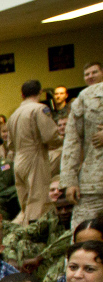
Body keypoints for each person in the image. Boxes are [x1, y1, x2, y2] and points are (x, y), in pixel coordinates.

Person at [7, 79, 60, 223]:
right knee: (39, 200)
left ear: (22, 95)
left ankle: (26, 231)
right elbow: (50, 135)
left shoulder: (13, 115)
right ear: (40, 92)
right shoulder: (39, 109)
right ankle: (35, 234)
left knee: (25, 203)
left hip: (18, 160)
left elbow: (10, 144)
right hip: (35, 155)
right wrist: (64, 141)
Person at [62, 76, 103, 228]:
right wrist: (69, 180)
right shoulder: (88, 96)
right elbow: (72, 139)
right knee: (82, 234)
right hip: (93, 182)